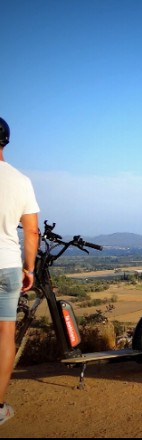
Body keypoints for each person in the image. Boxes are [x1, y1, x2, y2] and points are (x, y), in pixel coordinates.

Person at [0, 117, 40, 425]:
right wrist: (30, 269)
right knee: (5, 336)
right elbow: (31, 233)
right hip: (8, 266)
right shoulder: (20, 180)